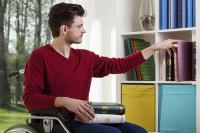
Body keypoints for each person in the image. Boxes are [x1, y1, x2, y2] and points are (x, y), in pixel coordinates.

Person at [23, 2, 180, 133]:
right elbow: (30, 99)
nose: (84, 30)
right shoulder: (40, 57)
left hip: (85, 118)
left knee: (139, 132)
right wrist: (64, 101)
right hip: (59, 123)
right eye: (80, 26)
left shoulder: (85, 57)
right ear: (64, 29)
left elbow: (120, 65)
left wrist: (154, 48)